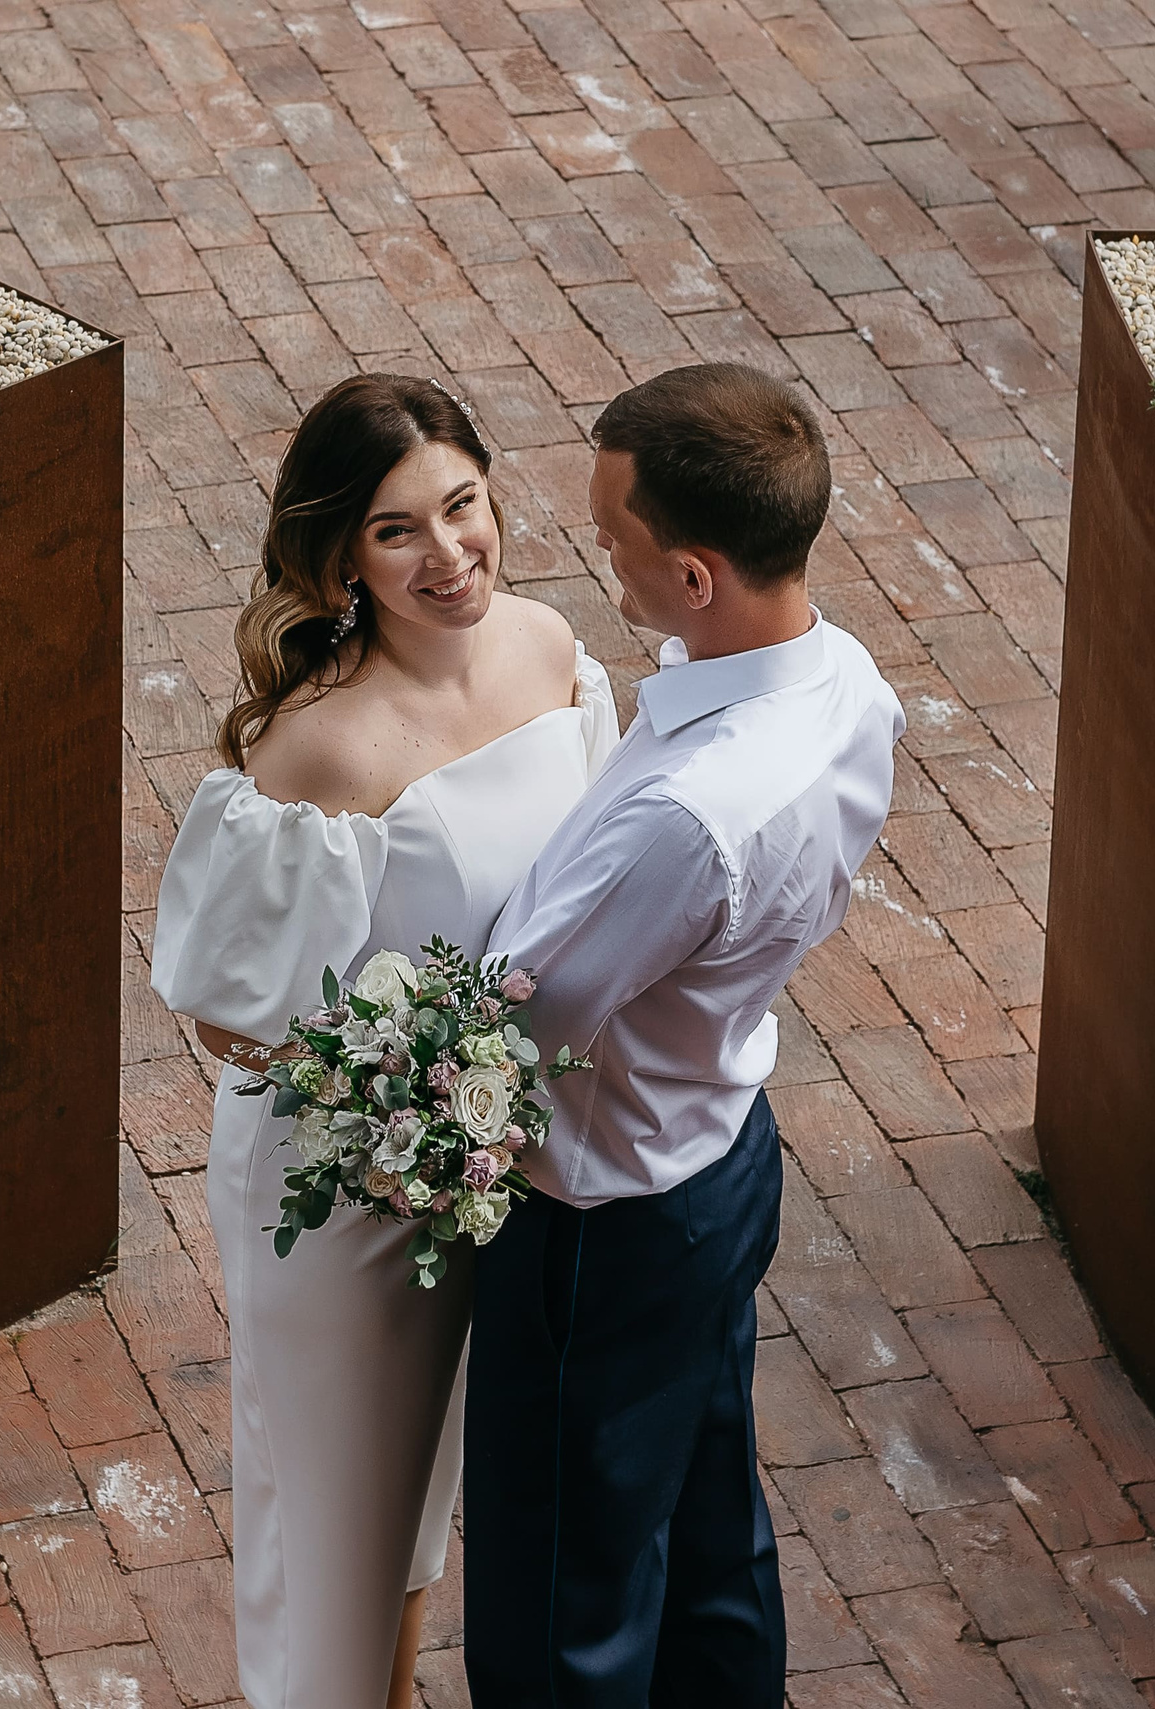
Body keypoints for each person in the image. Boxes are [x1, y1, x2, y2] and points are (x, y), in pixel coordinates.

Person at [148, 374, 620, 1709]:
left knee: (429, 1483)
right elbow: (232, 1024)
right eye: (397, 530)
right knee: (338, 1518)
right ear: (343, 558)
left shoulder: (549, 649)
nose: (449, 553)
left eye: (462, 505)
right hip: (346, 1180)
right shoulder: (326, 753)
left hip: (491, 1149)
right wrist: (410, 1081)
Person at [464, 363, 908, 1709]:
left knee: (563, 1605)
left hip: (604, 1234)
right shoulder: (847, 684)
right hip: (723, 1161)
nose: (602, 558)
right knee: (711, 1527)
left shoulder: (689, 818)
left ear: (700, 576)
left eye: (616, 539)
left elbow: (520, 1015)